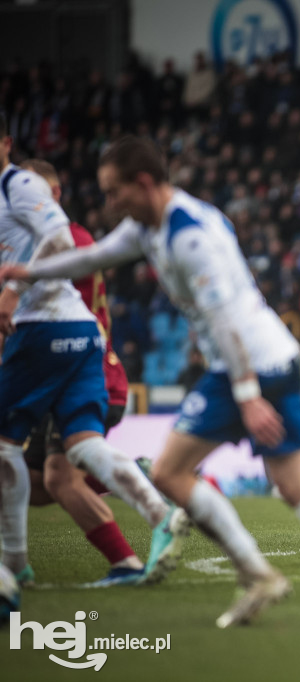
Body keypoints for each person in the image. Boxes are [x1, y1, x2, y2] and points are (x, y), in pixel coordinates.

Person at [0, 135, 300, 627]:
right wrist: (27, 272)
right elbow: (92, 258)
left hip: (251, 366)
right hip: (266, 360)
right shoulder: (150, 226)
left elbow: (223, 319)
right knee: (289, 485)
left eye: (114, 192)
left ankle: (262, 576)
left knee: (177, 474)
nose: (109, 203)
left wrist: (247, 397)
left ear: (143, 183)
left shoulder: (189, 236)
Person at [0, 117, 184, 589]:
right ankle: (153, 512)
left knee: (44, 471)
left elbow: (57, 253)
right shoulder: (43, 230)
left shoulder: (42, 215)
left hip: (61, 349)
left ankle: (14, 567)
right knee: (56, 475)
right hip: (84, 350)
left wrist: (14, 289)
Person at [19, 158, 144, 587]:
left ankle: (128, 556)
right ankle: (147, 478)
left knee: (58, 477)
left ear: (52, 196)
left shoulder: (65, 241)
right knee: (34, 487)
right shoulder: (49, 240)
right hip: (71, 372)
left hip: (79, 372)